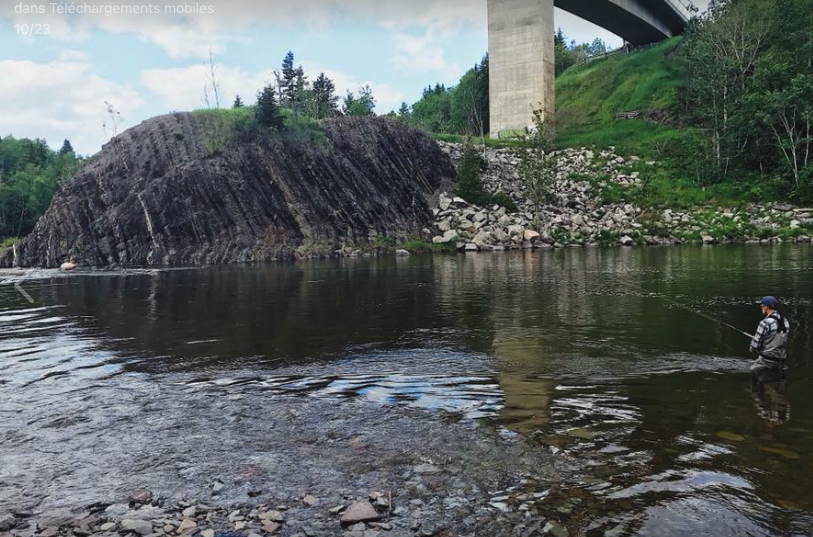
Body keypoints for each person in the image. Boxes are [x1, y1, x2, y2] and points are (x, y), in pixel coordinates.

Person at [750, 296, 790, 371]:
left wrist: (754, 342)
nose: (761, 307)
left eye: (762, 305)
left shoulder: (765, 322)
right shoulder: (785, 321)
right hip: (781, 361)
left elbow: (754, 347)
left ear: (766, 307)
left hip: (766, 361)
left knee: (752, 371)